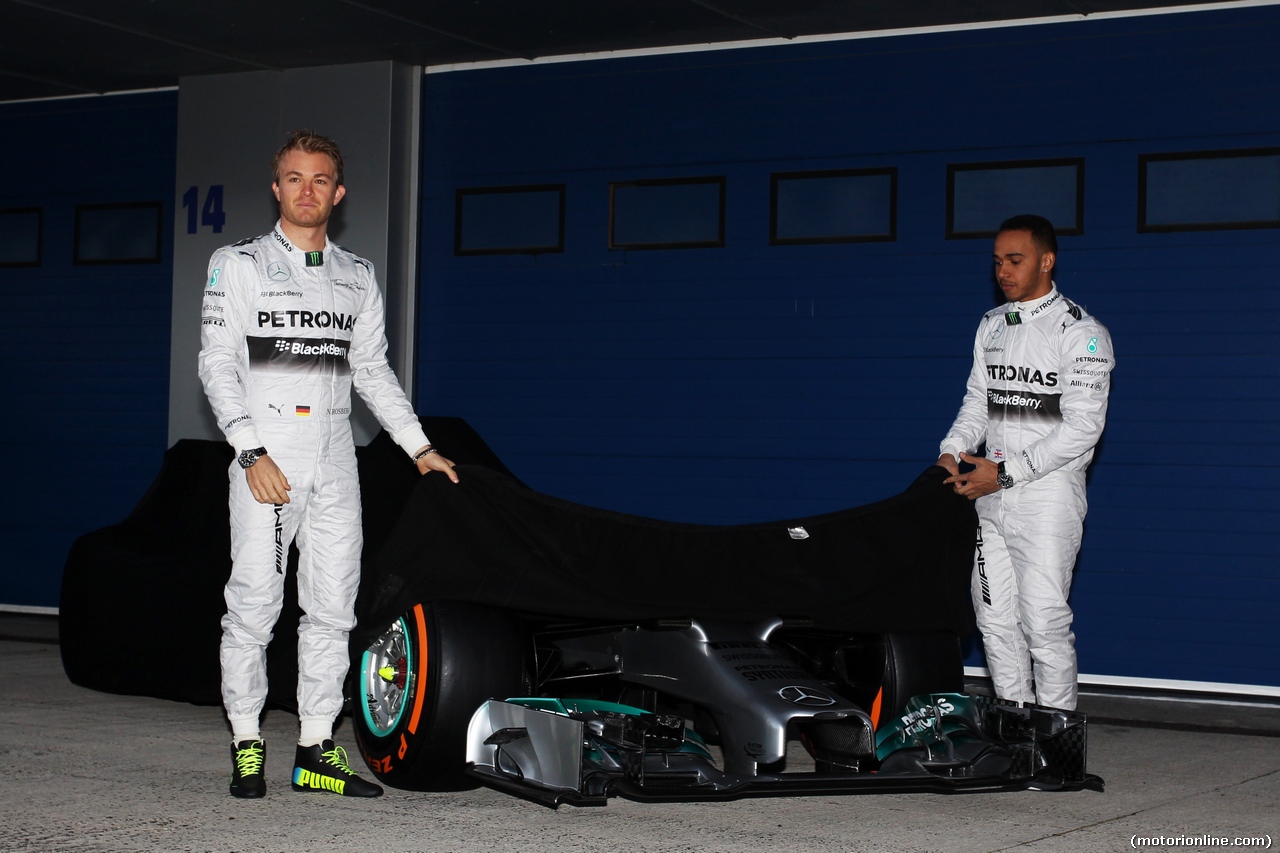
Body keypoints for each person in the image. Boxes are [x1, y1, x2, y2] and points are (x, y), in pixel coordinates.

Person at [198, 130, 458, 799]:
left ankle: (316, 745)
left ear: (338, 194)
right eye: (294, 178)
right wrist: (248, 448)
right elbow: (216, 364)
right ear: (275, 187)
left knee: (333, 610)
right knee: (254, 608)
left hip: (337, 461)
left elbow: (371, 370)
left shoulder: (358, 276)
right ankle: (248, 741)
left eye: (320, 180)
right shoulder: (240, 263)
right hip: (270, 461)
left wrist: (418, 446)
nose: (307, 190)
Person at [936, 214, 1114, 711]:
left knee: (1043, 621)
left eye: (1015, 260)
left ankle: (1055, 744)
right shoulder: (992, 325)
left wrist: (1007, 473)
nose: (1003, 271)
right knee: (993, 620)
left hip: (1046, 498)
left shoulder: (1082, 333)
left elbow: (1083, 428)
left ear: (1046, 260)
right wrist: (951, 451)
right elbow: (978, 400)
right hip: (989, 497)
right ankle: (1017, 735)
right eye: (997, 262)